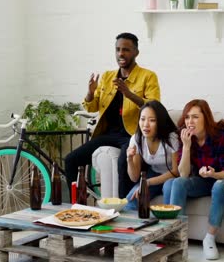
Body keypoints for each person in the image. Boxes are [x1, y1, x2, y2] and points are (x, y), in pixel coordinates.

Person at [65, 32, 160, 198]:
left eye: (126, 50)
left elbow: (154, 107)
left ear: (136, 52)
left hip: (132, 135)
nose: (121, 54)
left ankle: (125, 206)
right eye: (117, 50)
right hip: (108, 134)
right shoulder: (108, 77)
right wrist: (90, 92)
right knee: (71, 160)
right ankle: (78, 206)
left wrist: (128, 93)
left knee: (124, 160)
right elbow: (92, 106)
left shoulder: (148, 76)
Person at [164, 99, 224, 260]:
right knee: (177, 183)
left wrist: (214, 174)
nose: (189, 122)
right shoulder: (186, 137)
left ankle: (210, 239)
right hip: (202, 181)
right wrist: (186, 147)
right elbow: (183, 174)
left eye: (195, 117)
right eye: (187, 117)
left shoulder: (223, 136)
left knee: (219, 186)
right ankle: (177, 238)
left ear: (206, 118)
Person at [123, 100, 179, 210]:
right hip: (154, 174)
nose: (145, 125)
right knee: (129, 202)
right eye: (142, 119)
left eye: (152, 120)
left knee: (168, 192)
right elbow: (134, 177)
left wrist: (147, 182)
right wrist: (129, 159)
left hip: (172, 177)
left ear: (160, 122)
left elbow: (176, 172)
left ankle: (168, 226)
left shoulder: (172, 138)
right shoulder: (136, 139)